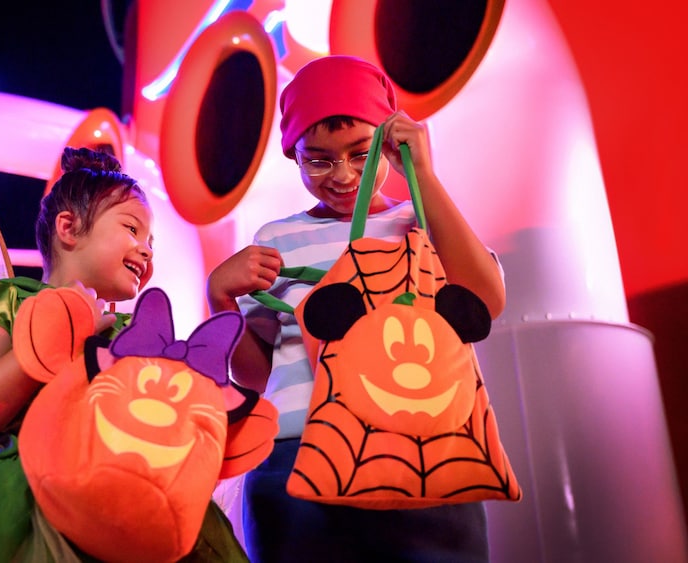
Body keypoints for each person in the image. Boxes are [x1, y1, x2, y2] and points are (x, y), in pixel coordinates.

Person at [205, 55, 507, 562]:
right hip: (293, 455)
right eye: (318, 159)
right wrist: (221, 297)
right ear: (293, 155)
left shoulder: (423, 218)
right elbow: (255, 377)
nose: (342, 174)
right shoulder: (276, 239)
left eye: (361, 153)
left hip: (424, 445)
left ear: (388, 140)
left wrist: (425, 177)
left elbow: (486, 301)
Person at [0, 147, 247, 561]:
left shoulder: (134, 336)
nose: (148, 250)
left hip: (127, 511)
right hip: (15, 513)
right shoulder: (7, 302)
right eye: (132, 229)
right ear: (68, 227)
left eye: (151, 241)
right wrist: (50, 343)